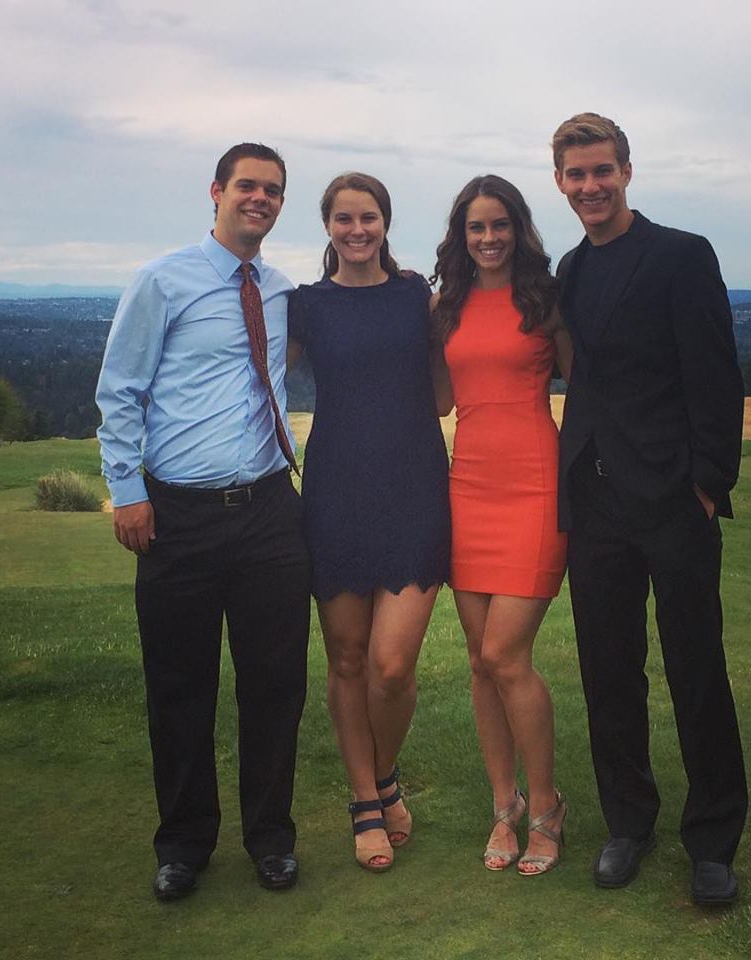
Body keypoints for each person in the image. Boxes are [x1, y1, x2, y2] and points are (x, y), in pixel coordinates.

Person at [95, 143, 311, 901]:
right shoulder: (163, 280)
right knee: (180, 686)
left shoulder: (281, 291)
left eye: (273, 190)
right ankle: (184, 845)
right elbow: (120, 389)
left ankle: (271, 838)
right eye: (247, 185)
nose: (260, 199)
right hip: (178, 516)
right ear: (216, 191)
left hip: (269, 512)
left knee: (276, 684)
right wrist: (127, 489)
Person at [551, 113, 748, 905]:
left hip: (672, 499)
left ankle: (714, 840)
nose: (590, 186)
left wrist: (707, 484)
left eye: (602, 170)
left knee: (696, 667)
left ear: (627, 171)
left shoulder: (681, 255)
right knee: (608, 672)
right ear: (560, 183)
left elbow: (717, 375)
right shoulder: (570, 268)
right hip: (595, 502)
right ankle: (629, 824)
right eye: (576, 175)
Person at [287, 173, 450, 872]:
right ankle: (366, 801)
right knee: (348, 659)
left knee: (391, 664)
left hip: (414, 489)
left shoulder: (418, 297)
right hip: (337, 492)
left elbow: (443, 397)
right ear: (327, 225)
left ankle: (382, 776)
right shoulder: (306, 306)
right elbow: (255, 375)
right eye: (344, 219)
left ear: (386, 222)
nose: (357, 230)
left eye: (369, 217)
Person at [431, 175, 573, 875]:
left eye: (500, 225)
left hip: (536, 486)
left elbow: (591, 385)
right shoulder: (445, 306)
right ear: (461, 236)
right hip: (469, 487)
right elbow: (437, 398)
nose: (488, 238)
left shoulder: (546, 300)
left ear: (519, 228)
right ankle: (503, 805)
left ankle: (547, 806)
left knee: (504, 654)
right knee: (479, 660)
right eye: (476, 227)